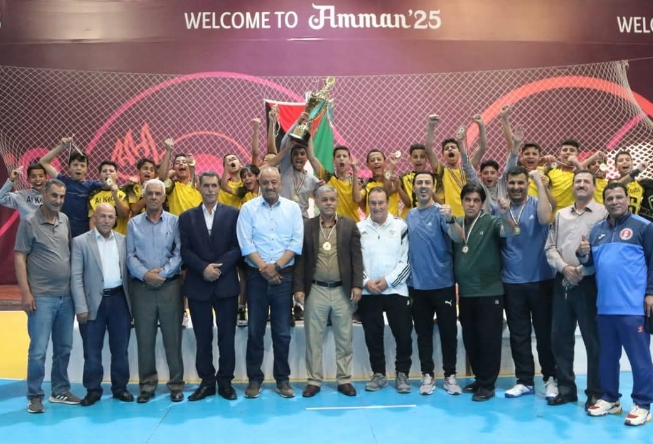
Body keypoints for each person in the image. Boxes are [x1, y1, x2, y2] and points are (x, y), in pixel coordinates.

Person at [580, 182, 653, 426]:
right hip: (605, 307)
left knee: (639, 360)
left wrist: (651, 293)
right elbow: (590, 265)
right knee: (607, 358)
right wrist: (583, 254)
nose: (614, 201)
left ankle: (643, 404)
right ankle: (610, 399)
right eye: (609, 198)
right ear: (604, 202)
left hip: (633, 308)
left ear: (627, 199)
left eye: (619, 197)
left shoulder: (644, 226)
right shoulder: (596, 230)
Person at [236, 166, 303, 399]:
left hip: (284, 277)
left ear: (280, 183)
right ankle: (254, 379)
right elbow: (245, 243)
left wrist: (276, 267)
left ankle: (282, 379)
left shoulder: (293, 208)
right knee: (255, 331)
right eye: (265, 182)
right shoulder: (248, 208)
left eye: (274, 182)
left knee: (282, 332)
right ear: (259, 183)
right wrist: (265, 268)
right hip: (256, 278)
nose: (270, 186)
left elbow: (296, 242)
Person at [14, 178, 81, 413]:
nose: (58, 200)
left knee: (64, 348)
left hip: (66, 297)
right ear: (44, 194)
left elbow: (68, 253)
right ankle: (34, 395)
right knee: (39, 350)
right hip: (41, 297)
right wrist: (26, 293)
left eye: (62, 197)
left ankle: (60, 390)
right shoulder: (29, 222)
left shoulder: (65, 220)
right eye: (54, 196)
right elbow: (20, 257)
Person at [293, 185, 363, 397]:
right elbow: (300, 260)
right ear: (316, 201)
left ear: (337, 201)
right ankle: (314, 380)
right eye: (324, 200)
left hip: (342, 290)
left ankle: (344, 380)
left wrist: (357, 284)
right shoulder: (307, 226)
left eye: (332, 199)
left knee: (344, 339)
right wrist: (298, 288)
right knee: (313, 340)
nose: (329, 203)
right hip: (315, 289)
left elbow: (357, 258)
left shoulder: (349, 225)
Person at [544, 170, 606, 409]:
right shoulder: (561, 215)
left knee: (593, 340)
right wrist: (565, 268)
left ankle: (595, 392)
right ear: (572, 186)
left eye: (586, 181)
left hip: (590, 283)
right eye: (577, 181)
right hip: (562, 281)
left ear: (594, 186)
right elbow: (550, 247)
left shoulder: (603, 214)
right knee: (560, 338)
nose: (581, 185)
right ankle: (566, 390)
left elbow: (605, 250)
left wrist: (580, 271)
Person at [448, 183, 515, 401]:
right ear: (462, 201)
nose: (471, 204)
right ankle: (479, 378)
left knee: (489, 340)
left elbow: (510, 231)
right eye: (468, 200)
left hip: (489, 292)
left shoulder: (492, 221)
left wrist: (505, 215)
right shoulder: (456, 222)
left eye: (476, 200)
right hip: (466, 293)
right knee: (471, 339)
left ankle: (488, 384)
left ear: (482, 203)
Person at [179, 172, 242, 401]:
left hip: (226, 285)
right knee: (202, 338)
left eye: (214, 185)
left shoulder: (233, 214)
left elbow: (238, 247)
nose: (211, 190)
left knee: (227, 338)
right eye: (206, 185)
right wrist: (203, 268)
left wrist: (219, 268)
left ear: (219, 187)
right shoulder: (186, 217)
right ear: (198, 187)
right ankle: (206, 382)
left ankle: (225, 382)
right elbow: (185, 250)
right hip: (198, 284)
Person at [500, 167, 558, 400]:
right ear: (506, 184)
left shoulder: (537, 203)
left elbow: (545, 218)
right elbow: (503, 234)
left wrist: (539, 182)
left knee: (545, 334)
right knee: (519, 334)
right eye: (512, 183)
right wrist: (502, 213)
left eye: (520, 183)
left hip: (542, 279)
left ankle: (550, 378)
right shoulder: (500, 207)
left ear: (527, 184)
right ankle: (524, 380)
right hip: (512, 281)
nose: (516, 187)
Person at [127, 178, 184, 403]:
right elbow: (130, 255)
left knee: (173, 338)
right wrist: (145, 275)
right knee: (145, 338)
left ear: (163, 197)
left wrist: (164, 274)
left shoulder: (174, 222)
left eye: (157, 193)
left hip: (170, 286)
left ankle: (176, 385)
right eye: (149, 193)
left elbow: (179, 253)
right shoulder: (133, 224)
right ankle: (147, 386)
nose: (153, 197)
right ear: (144, 196)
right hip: (142, 288)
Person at [71, 203, 133, 406]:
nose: (107, 220)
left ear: (115, 219)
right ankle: (93, 389)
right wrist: (81, 307)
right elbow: (75, 277)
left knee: (121, 348)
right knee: (91, 350)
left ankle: (120, 388)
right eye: (103, 216)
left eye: (110, 217)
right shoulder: (80, 242)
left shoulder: (124, 241)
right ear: (94, 218)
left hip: (119, 301)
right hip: (91, 303)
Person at [406, 172, 461, 396]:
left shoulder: (442, 212)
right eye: (419, 182)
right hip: (417, 286)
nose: (423, 186)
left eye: (427, 182)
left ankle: (450, 375)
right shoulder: (409, 215)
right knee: (423, 334)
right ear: (414, 187)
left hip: (443, 284)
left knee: (448, 333)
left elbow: (458, 238)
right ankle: (427, 375)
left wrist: (451, 219)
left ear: (433, 187)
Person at [357, 187, 412, 393]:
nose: (377, 207)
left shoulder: (401, 226)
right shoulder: (359, 228)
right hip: (369, 292)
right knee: (373, 335)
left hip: (396, 290)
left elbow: (406, 260)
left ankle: (402, 373)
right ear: (368, 204)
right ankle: (379, 374)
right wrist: (366, 282)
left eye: (381, 202)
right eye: (373, 203)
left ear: (388, 203)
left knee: (403, 334)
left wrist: (388, 281)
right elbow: (355, 260)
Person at [40, 137, 103, 237]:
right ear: (69, 167)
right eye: (75, 165)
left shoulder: (92, 185)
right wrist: (61, 147)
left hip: (83, 234)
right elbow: (43, 162)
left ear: (87, 169)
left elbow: (110, 185)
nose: (79, 168)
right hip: (62, 232)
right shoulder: (62, 181)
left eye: (82, 165)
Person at [307, 143, 364, 222]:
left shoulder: (358, 181)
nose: (341, 158)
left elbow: (357, 199)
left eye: (344, 156)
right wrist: (309, 136)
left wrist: (355, 171)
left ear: (350, 160)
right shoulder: (327, 177)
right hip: (333, 225)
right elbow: (312, 158)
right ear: (333, 160)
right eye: (338, 156)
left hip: (353, 225)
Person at [158, 138, 201, 216]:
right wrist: (168, 151)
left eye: (184, 162)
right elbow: (162, 178)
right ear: (174, 169)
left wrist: (192, 166)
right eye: (177, 163)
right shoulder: (172, 186)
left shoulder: (198, 186)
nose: (181, 164)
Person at [87, 161, 130, 234]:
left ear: (117, 175)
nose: (108, 173)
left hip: (120, 237)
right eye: (104, 171)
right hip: (100, 237)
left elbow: (124, 216)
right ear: (99, 176)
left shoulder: (124, 192)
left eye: (111, 171)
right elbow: (93, 220)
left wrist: (115, 196)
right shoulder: (93, 195)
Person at [364, 150, 401, 217]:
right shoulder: (366, 185)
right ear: (368, 165)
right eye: (372, 160)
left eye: (379, 159)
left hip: (391, 221)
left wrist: (391, 166)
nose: (376, 162)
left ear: (385, 162)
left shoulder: (394, 180)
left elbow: (386, 191)